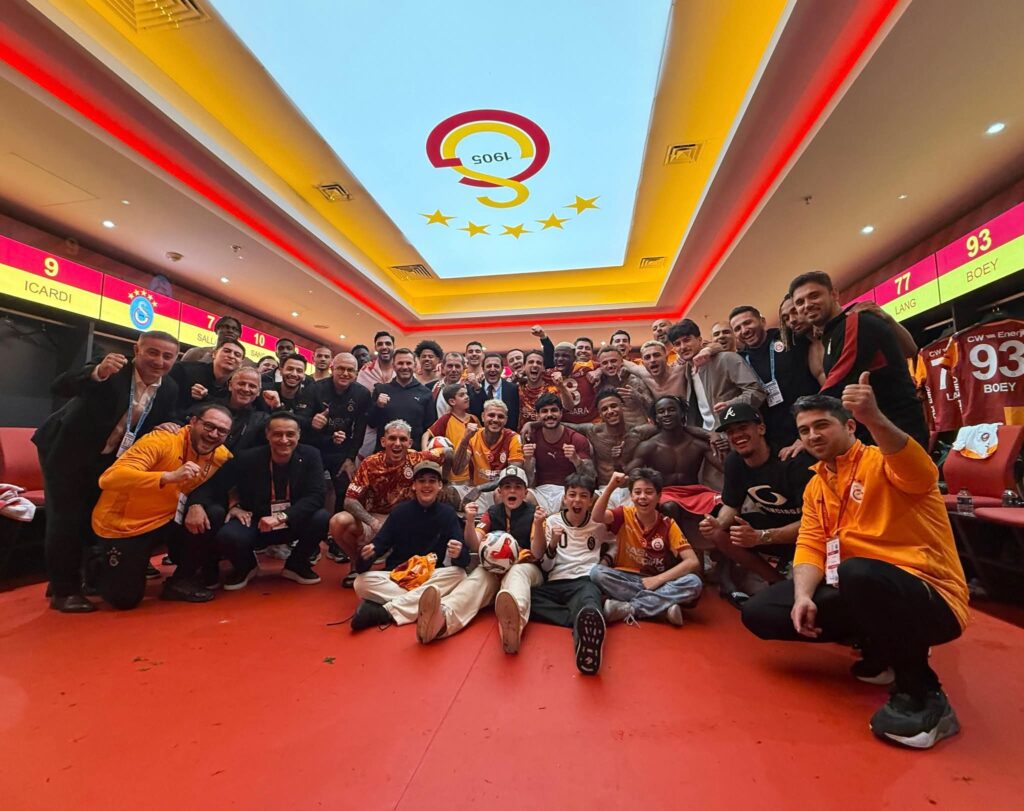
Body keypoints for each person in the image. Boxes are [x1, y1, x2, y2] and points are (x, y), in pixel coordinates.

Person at [741, 383, 968, 749]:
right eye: (804, 430)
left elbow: (920, 472)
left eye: (822, 425)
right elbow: (811, 544)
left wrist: (873, 417)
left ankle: (924, 695)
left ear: (850, 426)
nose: (812, 435)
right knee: (761, 612)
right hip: (862, 589)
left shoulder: (884, 460)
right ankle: (880, 647)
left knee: (857, 572)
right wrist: (803, 597)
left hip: (930, 596)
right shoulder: (817, 486)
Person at [32, 331, 181, 612]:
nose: (159, 361)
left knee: (91, 518)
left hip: (108, 461)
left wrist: (166, 424)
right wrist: (97, 372)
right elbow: (60, 385)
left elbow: (161, 416)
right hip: (67, 451)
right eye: (152, 352)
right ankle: (64, 591)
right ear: (137, 350)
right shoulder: (114, 368)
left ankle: (74, 578)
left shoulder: (169, 387)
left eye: (167, 356)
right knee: (66, 519)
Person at [91, 403, 233, 608]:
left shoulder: (220, 455)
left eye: (222, 431)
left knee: (214, 513)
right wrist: (168, 477)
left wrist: (196, 504)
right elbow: (109, 478)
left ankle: (181, 580)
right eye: (209, 426)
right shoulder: (161, 441)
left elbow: (215, 486)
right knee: (124, 600)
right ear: (193, 422)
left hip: (168, 519)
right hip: (126, 524)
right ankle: (97, 561)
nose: (213, 434)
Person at [789, 271, 927, 446]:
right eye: (800, 302)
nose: (807, 305)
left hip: (898, 431)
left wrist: (808, 425)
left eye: (814, 296)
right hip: (875, 433)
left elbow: (838, 384)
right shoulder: (832, 333)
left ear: (834, 294)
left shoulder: (855, 322)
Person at [416, 465, 543, 651]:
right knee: (477, 577)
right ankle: (441, 619)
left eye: (517, 487)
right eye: (507, 487)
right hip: (494, 567)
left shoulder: (535, 513)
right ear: (500, 492)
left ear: (525, 492)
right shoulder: (492, 513)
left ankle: (513, 625)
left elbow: (538, 553)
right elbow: (475, 544)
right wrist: (469, 521)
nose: (512, 491)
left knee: (516, 573)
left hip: (527, 567)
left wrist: (539, 525)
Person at [698, 403, 814, 606]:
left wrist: (762, 536)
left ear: (761, 428)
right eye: (731, 432)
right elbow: (731, 505)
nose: (737, 435)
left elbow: (816, 523)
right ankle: (778, 583)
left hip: (810, 534)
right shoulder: (734, 462)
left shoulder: (793, 462)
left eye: (743, 428)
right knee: (719, 531)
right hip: (774, 526)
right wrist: (717, 523)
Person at [207, 413, 328, 589]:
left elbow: (316, 496)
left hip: (291, 519)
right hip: (256, 520)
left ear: (299, 435)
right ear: (267, 435)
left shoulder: (311, 455)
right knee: (228, 535)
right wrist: (233, 506)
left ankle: (296, 565)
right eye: (277, 434)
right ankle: (246, 566)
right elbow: (216, 486)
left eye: (290, 434)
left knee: (322, 518)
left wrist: (282, 516)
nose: (284, 440)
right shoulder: (247, 458)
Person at [350, 460, 470, 630]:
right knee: (360, 582)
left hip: (430, 575)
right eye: (421, 481)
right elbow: (377, 548)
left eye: (432, 481)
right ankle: (424, 602)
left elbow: (463, 560)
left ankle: (385, 611)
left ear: (439, 486)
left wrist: (458, 553)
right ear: (414, 485)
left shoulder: (448, 514)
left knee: (459, 575)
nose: (426, 485)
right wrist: (366, 556)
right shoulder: (400, 512)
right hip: (398, 577)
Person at [329, 420, 445, 578]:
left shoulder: (418, 458)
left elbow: (448, 454)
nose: (397, 444)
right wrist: (372, 523)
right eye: (392, 438)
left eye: (403, 439)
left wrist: (445, 482)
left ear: (410, 443)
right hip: (376, 518)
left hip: (408, 518)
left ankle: (405, 562)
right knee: (338, 522)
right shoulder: (370, 463)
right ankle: (358, 565)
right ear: (383, 441)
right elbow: (349, 501)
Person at [590, 469, 703, 625]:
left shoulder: (668, 524)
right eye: (637, 492)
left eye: (649, 492)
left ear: (659, 496)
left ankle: (630, 608)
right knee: (596, 573)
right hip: (625, 577)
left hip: (656, 581)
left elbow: (692, 561)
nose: (642, 497)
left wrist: (657, 579)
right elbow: (597, 517)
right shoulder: (623, 514)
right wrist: (610, 487)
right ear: (631, 496)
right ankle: (662, 609)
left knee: (694, 582)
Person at [530, 474, 613, 675]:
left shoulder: (598, 524)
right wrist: (553, 544)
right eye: (572, 495)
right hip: (556, 581)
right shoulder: (552, 521)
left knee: (588, 602)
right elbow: (546, 566)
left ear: (591, 501)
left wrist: (606, 560)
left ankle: (586, 649)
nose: (577, 500)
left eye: (583, 496)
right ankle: (579, 617)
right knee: (527, 598)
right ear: (565, 498)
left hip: (584, 581)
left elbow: (616, 543)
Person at [621, 395, 722, 544]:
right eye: (661, 411)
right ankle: (677, 549)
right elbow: (627, 475)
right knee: (669, 506)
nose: (666, 414)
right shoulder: (648, 446)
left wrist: (724, 448)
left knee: (722, 503)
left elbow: (724, 467)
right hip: (664, 493)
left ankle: (720, 553)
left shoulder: (697, 444)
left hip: (695, 492)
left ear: (682, 413)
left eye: (671, 409)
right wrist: (620, 458)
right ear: (656, 418)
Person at [730, 305, 819, 449]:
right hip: (774, 439)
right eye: (737, 328)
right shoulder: (739, 360)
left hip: (810, 425)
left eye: (748, 323)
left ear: (762, 321)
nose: (744, 330)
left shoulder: (788, 337)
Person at [310, 352, 371, 561]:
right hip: (315, 450)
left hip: (342, 452)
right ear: (332, 369)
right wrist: (314, 425)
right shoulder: (316, 389)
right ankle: (312, 543)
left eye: (350, 370)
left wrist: (350, 458)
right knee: (314, 494)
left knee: (344, 494)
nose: (345, 373)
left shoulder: (362, 393)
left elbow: (360, 429)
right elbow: (302, 422)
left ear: (356, 373)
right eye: (341, 369)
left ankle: (336, 542)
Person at [667, 319, 765, 433]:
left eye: (687, 340)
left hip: (735, 430)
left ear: (699, 340)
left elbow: (756, 391)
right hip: (708, 435)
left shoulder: (727, 359)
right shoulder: (686, 370)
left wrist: (731, 405)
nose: (683, 347)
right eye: (677, 344)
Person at [523, 393, 595, 513]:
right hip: (539, 491)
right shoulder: (531, 437)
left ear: (561, 413)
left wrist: (576, 460)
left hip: (567, 491)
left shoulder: (577, 439)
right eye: (544, 411)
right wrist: (528, 460)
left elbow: (591, 477)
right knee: (521, 496)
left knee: (584, 498)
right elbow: (528, 481)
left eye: (554, 410)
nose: (549, 415)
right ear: (537, 415)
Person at [452, 399, 525, 506]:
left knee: (503, 494)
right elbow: (457, 470)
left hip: (500, 492)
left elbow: (511, 476)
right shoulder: (473, 436)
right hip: (475, 491)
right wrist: (465, 440)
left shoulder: (513, 438)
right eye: (491, 415)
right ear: (483, 416)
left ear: (506, 420)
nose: (495, 420)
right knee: (448, 493)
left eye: (500, 417)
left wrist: (480, 488)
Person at [368, 348, 435, 450]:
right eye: (400, 363)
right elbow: (371, 424)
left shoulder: (426, 393)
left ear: (415, 366)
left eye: (408, 363)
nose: (404, 367)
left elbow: (430, 430)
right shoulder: (380, 390)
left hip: (414, 454)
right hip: (384, 453)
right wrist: (378, 406)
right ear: (393, 366)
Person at [423, 383, 479, 496]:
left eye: (467, 394)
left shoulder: (474, 419)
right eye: (462, 395)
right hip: (452, 475)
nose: (467, 397)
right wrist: (426, 453)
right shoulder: (446, 419)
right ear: (452, 401)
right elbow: (426, 435)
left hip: (471, 474)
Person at [169, 339, 245, 419]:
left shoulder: (234, 389)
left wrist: (206, 397)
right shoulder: (184, 370)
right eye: (227, 351)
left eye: (237, 355)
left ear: (241, 364)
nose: (231, 356)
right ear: (214, 354)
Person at [589, 346, 651, 427]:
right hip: (614, 432)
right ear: (600, 366)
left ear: (622, 362)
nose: (610, 365)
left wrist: (638, 396)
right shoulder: (600, 385)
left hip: (639, 429)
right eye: (605, 363)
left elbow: (652, 407)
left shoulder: (635, 380)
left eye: (613, 361)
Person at [262, 353, 322, 432]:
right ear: (281, 371)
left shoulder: (309, 398)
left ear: (304, 376)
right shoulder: (266, 391)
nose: (294, 374)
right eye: (290, 369)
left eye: (299, 371)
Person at [221, 367, 269, 452]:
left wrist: (278, 408)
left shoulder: (262, 420)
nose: (246, 389)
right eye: (241, 384)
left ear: (258, 391)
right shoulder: (211, 409)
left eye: (252, 386)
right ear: (230, 385)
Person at [469, 351, 521, 429]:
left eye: (496, 366)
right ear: (483, 369)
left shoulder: (513, 389)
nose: (492, 369)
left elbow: (515, 416)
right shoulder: (472, 389)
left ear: (502, 369)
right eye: (489, 366)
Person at [551, 340, 598, 423]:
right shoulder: (550, 374)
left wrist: (598, 371)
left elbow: (606, 366)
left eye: (565, 356)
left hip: (591, 423)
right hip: (566, 425)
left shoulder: (587, 367)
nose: (560, 359)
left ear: (574, 358)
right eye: (556, 356)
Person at [433, 351, 466, 418]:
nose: (453, 370)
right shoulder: (433, 387)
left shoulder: (470, 389)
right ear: (443, 368)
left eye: (457, 366)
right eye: (450, 366)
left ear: (463, 369)